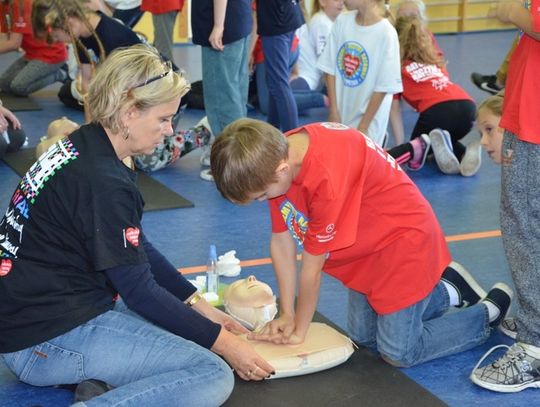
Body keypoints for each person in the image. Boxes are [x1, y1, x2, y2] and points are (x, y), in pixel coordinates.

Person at [0, 45, 275, 407]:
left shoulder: (84, 144)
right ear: (130, 113)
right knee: (211, 372)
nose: (169, 131)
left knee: (189, 329)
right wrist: (227, 344)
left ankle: (99, 380)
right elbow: (139, 291)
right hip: (45, 341)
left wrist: (199, 306)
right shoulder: (104, 181)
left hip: (33, 321)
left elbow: (136, 246)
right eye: (163, 119)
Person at [210, 118, 513, 367]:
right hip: (365, 248)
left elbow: (311, 267)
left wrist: (300, 328)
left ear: (281, 170)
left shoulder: (325, 176)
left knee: (398, 352)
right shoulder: (275, 152)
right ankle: (448, 291)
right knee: (365, 339)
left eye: (262, 196)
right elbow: (281, 240)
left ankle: (486, 312)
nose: (265, 201)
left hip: (403, 243)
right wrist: (286, 312)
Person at [470, 0, 540, 392]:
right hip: (529, 115)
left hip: (535, 125)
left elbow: (533, 19)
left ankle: (535, 348)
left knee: (526, 230)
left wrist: (511, 9)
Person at [388, 16, 481, 176]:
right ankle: (464, 153)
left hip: (437, 111)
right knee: (436, 140)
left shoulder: (397, 67)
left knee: (418, 149)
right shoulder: (435, 63)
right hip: (468, 109)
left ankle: (383, 158)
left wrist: (401, 144)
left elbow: (394, 111)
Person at [31, 0, 149, 119]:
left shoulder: (112, 36)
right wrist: (89, 122)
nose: (58, 41)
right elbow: (86, 80)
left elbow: (124, 89)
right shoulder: (79, 33)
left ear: (69, 24)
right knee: (66, 93)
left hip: (142, 87)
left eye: (56, 36)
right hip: (119, 88)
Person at [317, 0, 402, 147]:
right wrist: (334, 110)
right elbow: (330, 67)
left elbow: (383, 87)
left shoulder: (386, 33)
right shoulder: (343, 21)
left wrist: (364, 126)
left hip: (370, 119)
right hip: (342, 112)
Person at [191, 0, 252, 182]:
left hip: (222, 29)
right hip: (237, 21)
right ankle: (242, 159)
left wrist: (218, 25)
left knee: (222, 99)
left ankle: (230, 165)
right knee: (235, 95)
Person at [255, 0, 304, 132]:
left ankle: (293, 136)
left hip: (277, 21)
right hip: (286, 15)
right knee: (274, 82)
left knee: (278, 83)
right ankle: (272, 130)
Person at [0, 0, 67, 96]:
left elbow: (14, 43)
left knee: (18, 87)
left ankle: (60, 74)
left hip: (51, 54)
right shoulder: (3, 5)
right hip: (31, 54)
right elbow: (4, 39)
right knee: (3, 84)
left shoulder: (21, 4)